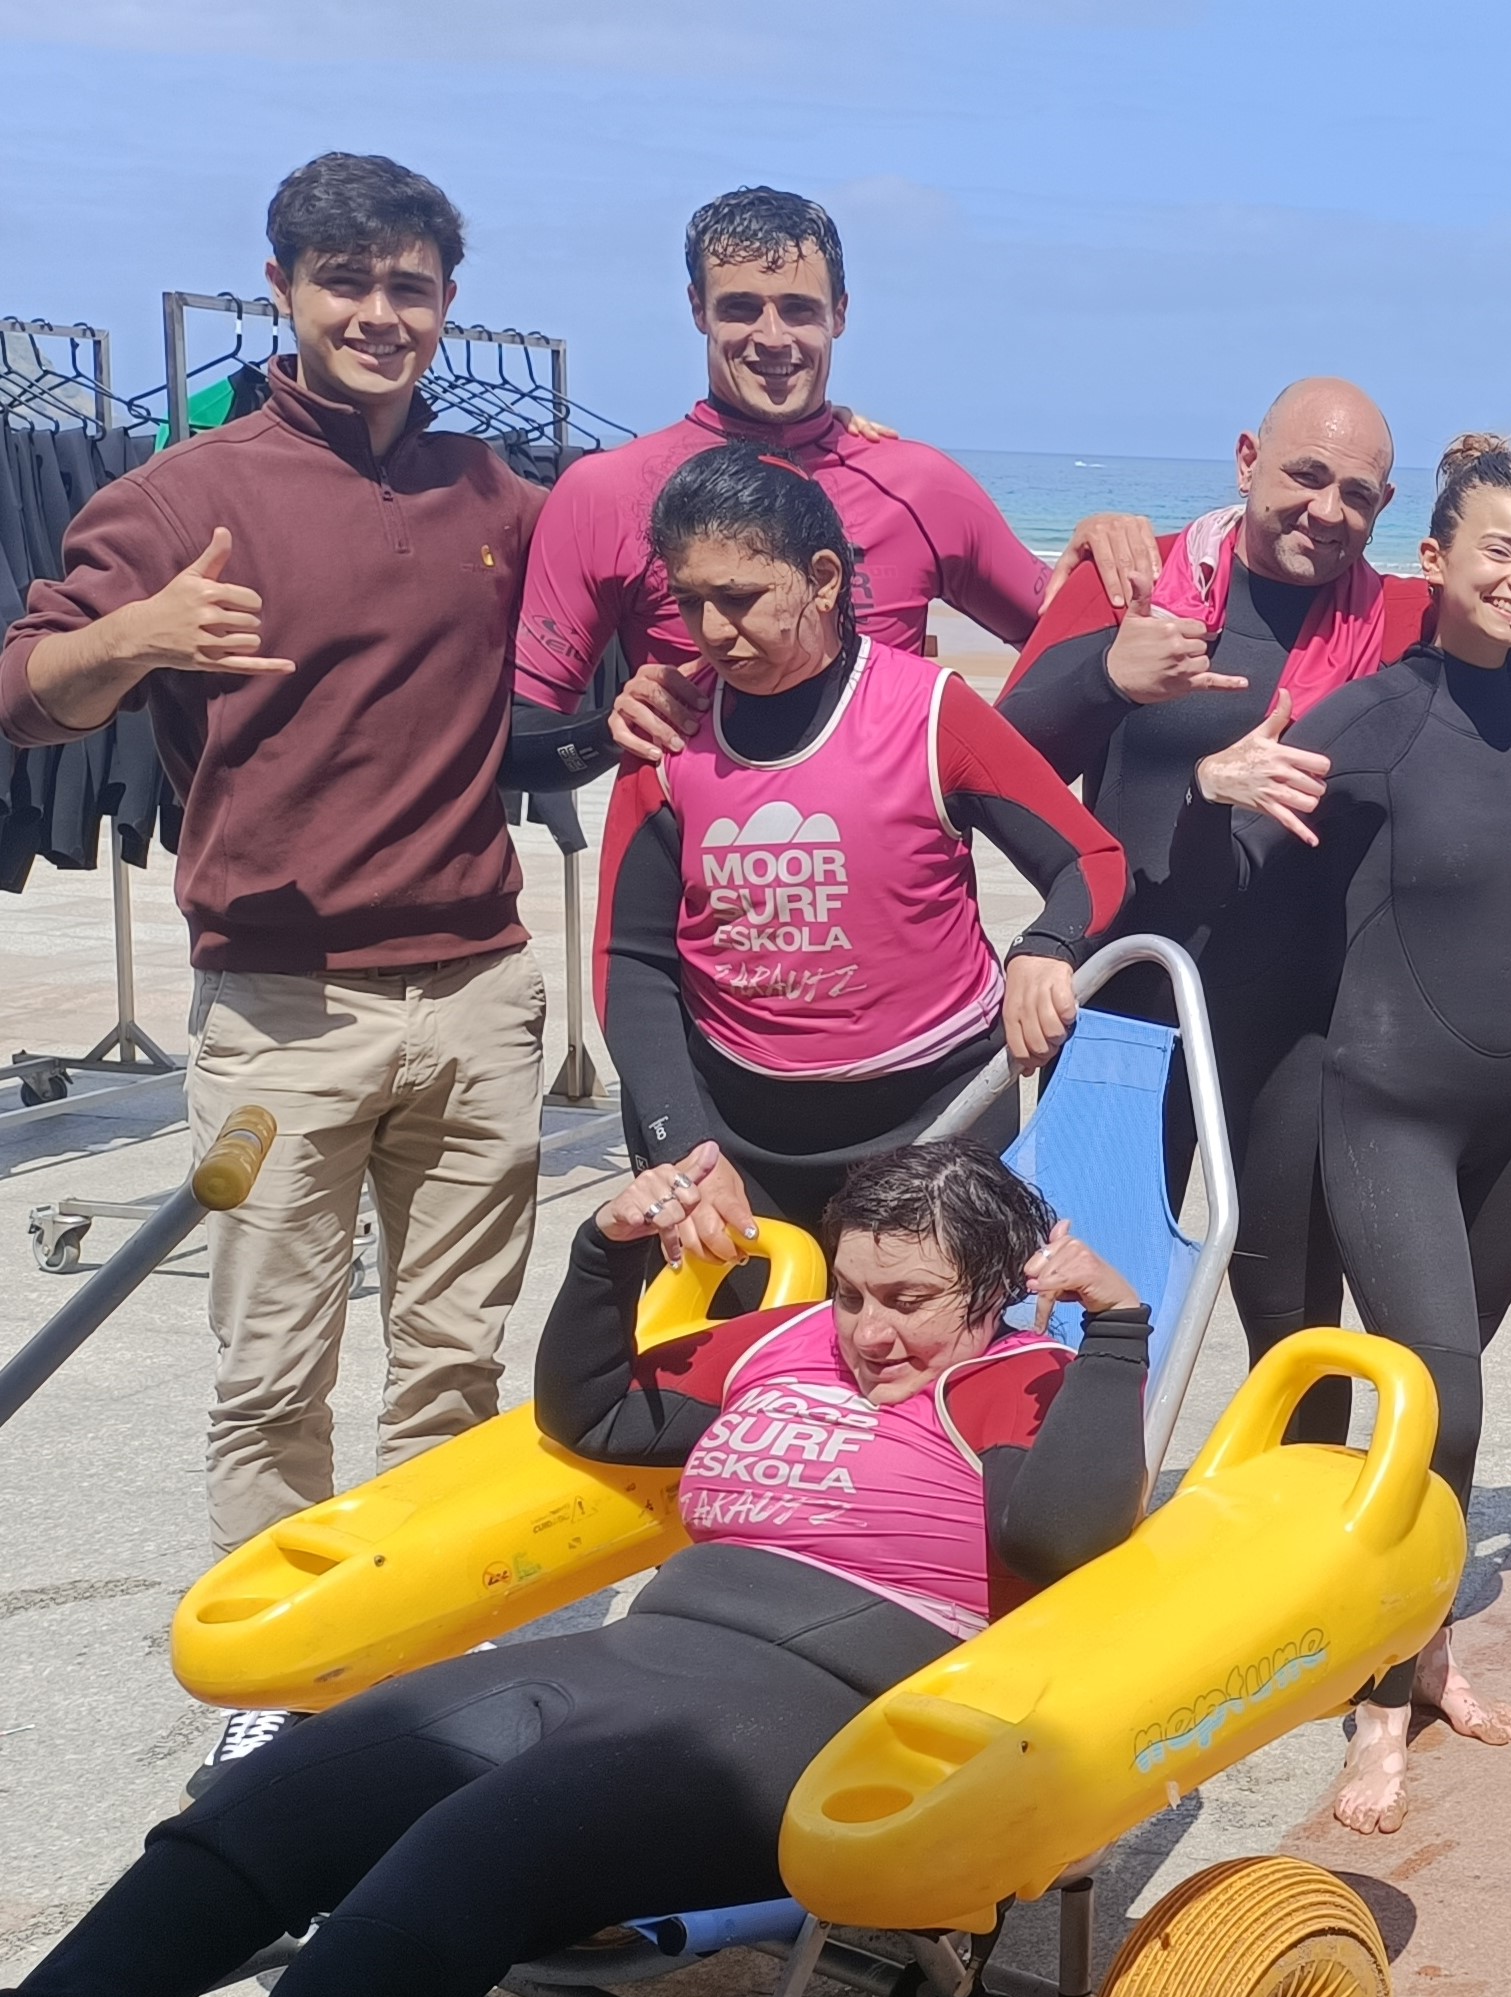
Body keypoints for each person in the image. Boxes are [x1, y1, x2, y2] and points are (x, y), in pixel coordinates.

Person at [0, 1140, 1148, 1997]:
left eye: (909, 1298)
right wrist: (604, 1252)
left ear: (996, 1288)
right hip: (650, 1650)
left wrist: (1116, 1327)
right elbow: (596, 1412)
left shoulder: (1020, 1379)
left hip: (825, 1706)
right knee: (287, 1789)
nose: (870, 1331)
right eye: (852, 1291)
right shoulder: (786, 1343)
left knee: (474, 1851)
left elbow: (1062, 1538)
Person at [0, 156, 613, 1579]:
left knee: (453, 1378)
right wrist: (132, 638)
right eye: (347, 282)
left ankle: (414, 1662)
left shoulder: (490, 492)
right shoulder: (177, 497)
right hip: (281, 1017)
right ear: (281, 292)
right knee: (273, 1381)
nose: (379, 314)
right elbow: (25, 689)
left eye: (410, 286)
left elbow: (637, 560)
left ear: (450, 304)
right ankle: (275, 1694)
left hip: (476, 999)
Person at [993, 377, 1511, 1439]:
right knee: (1059, 1321)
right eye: (1303, 477)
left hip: (1290, 1038)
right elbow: (998, 773)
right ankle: (1040, 1551)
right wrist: (1105, 675)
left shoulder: (1394, 607)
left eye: (1356, 494)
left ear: (1386, 512)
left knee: (1297, 1352)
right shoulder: (1138, 580)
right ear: (1244, 460)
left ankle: (1292, 1580)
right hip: (1131, 1013)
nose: (1326, 510)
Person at [1223, 437, 1511, 1832]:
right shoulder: (1383, 711)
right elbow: (1246, 822)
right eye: (1498, 554)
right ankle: (1375, 1693)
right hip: (1389, 1096)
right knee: (1443, 1395)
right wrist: (1222, 781)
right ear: (1434, 562)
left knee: (1450, 1408)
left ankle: (1423, 1645)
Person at [593, 446, 1126, 1238]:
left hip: (938, 1120)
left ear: (823, 578)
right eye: (690, 600)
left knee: (918, 1360)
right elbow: (629, 960)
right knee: (741, 1365)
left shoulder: (930, 712)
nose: (712, 631)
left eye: (739, 597)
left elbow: (1089, 859)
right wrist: (682, 1147)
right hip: (737, 1138)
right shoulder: (670, 728)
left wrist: (1046, 947)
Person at [514, 187, 1155, 753]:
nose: (771, 337)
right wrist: (610, 730)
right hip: (698, 874)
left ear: (840, 314)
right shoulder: (607, 493)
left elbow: (1071, 649)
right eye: (740, 307)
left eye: (798, 308)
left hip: (903, 878)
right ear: (697, 310)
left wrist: (1101, 546)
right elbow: (523, 733)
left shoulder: (917, 486)